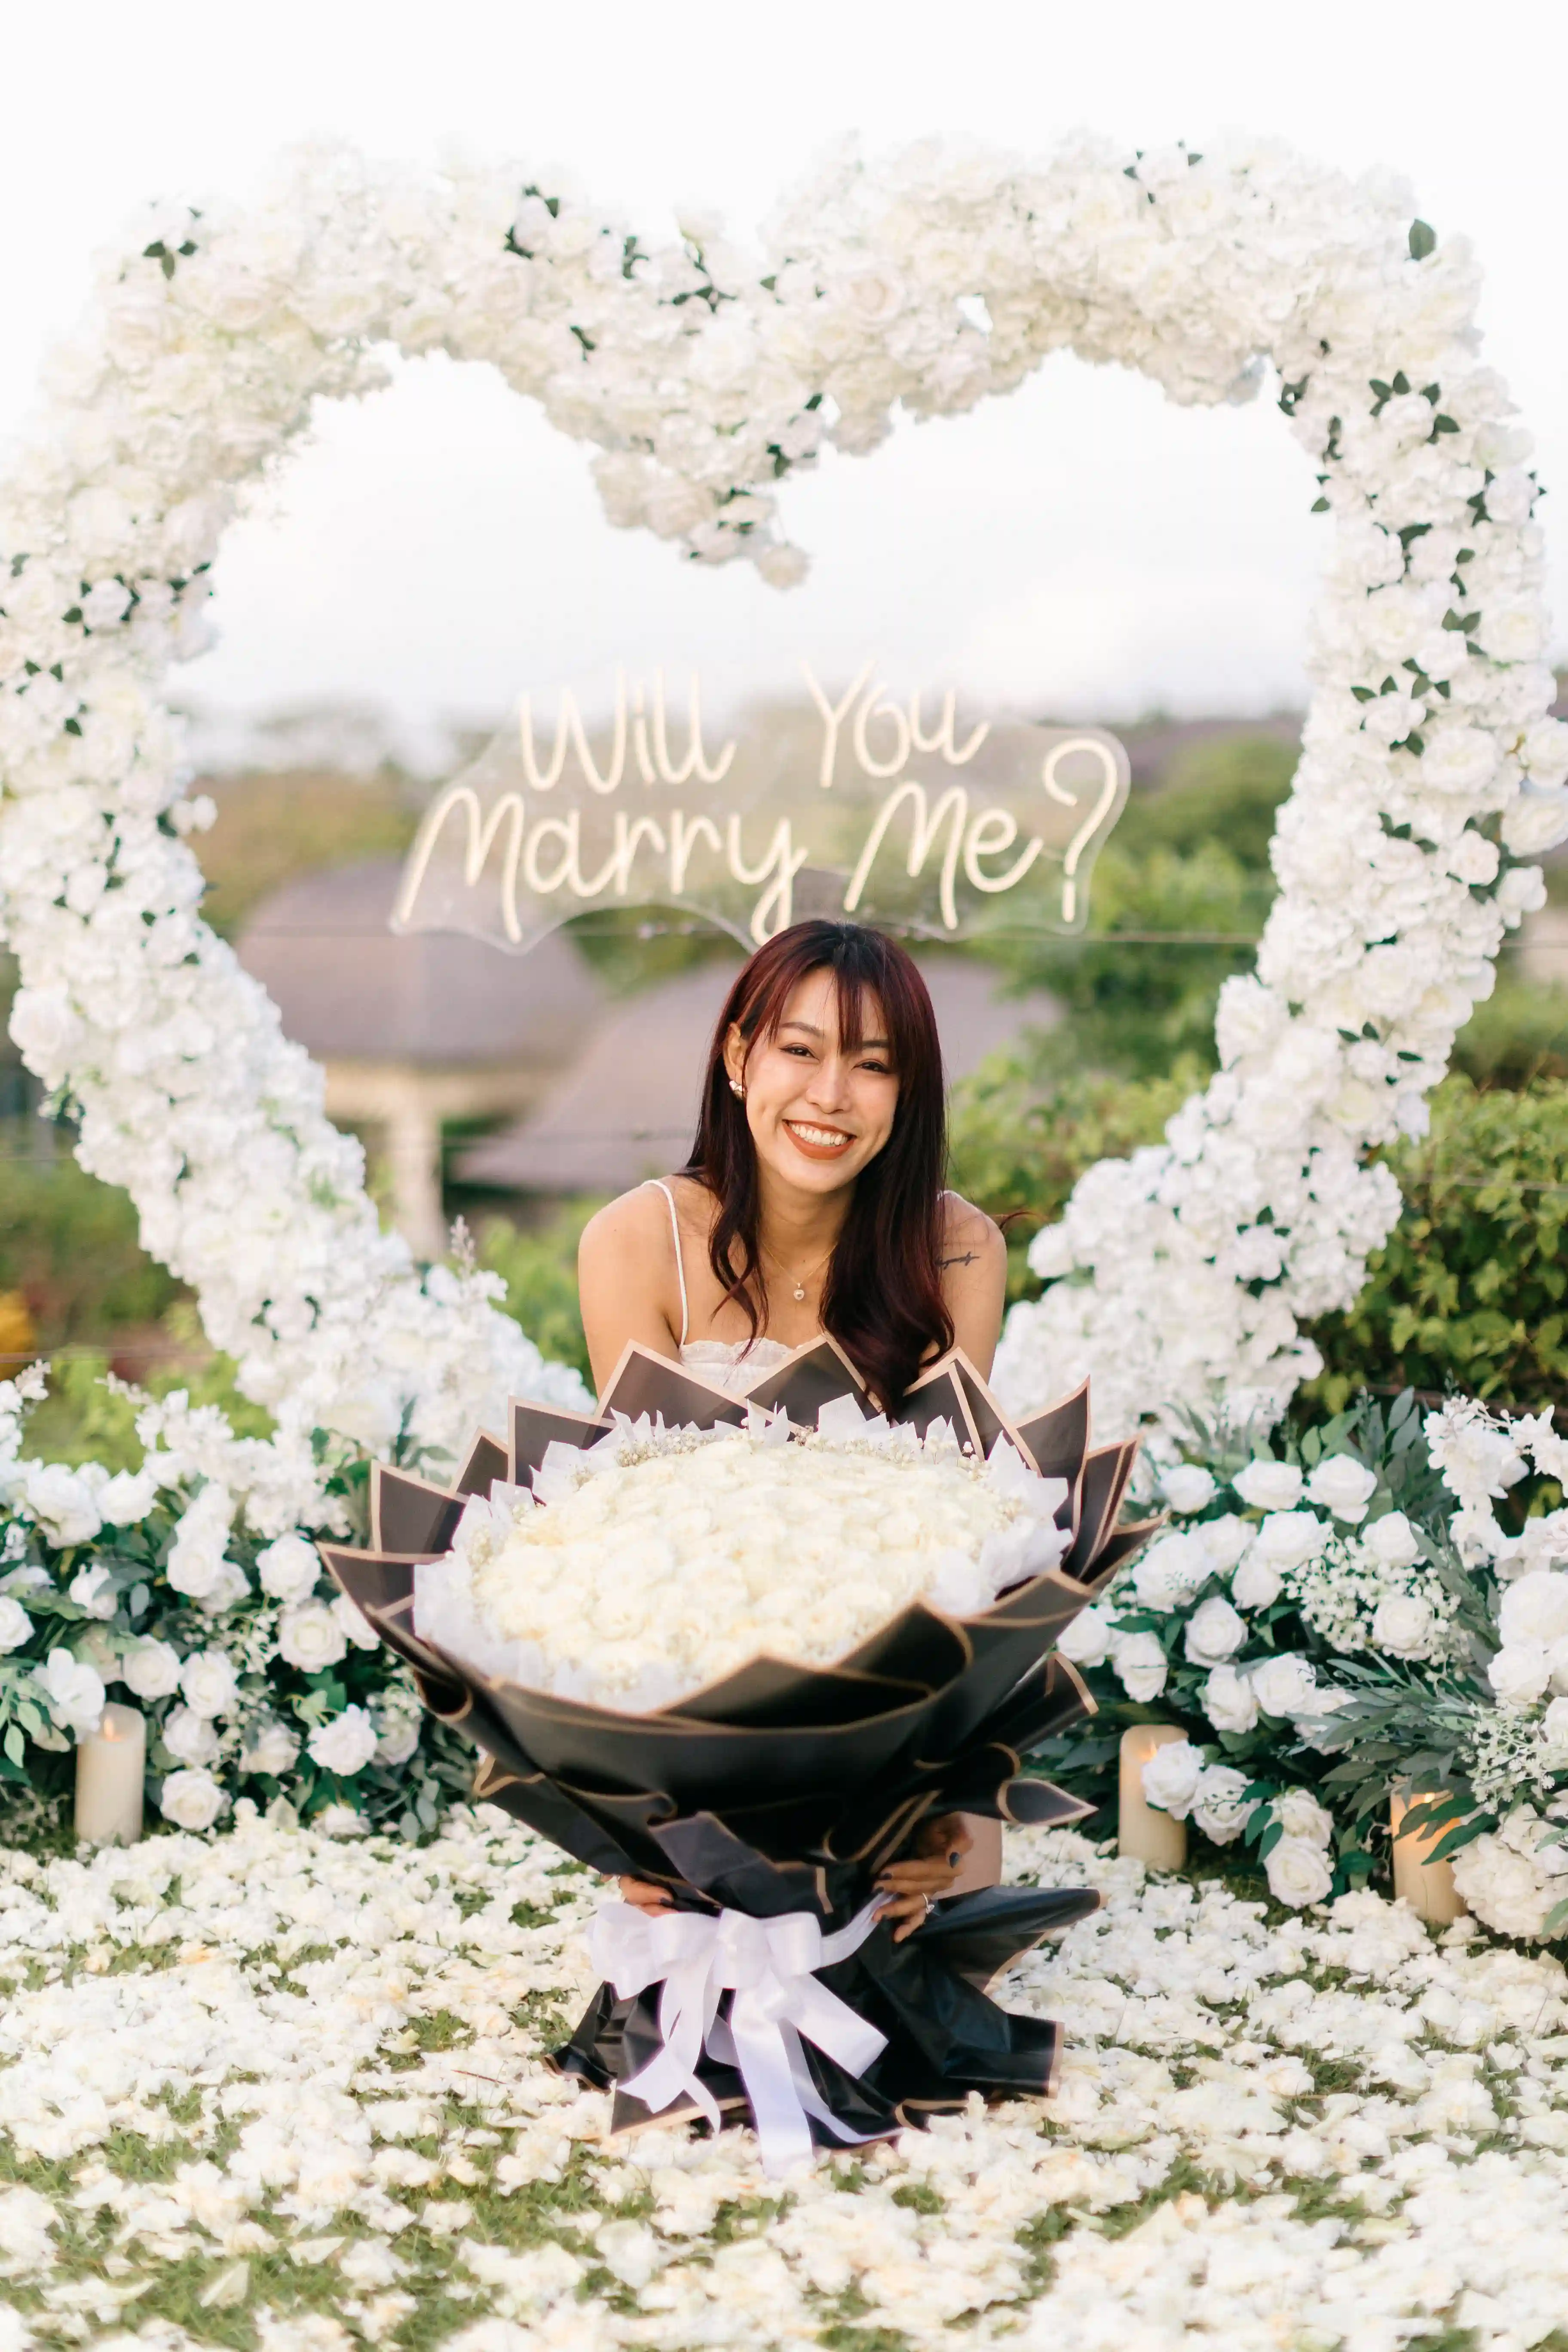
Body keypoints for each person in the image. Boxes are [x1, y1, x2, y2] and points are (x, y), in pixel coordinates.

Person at [578, 918, 1009, 1940]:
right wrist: (638, 1812)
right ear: (738, 1057)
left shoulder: (959, 1250)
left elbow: (954, 1533)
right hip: (695, 1720)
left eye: (872, 1066)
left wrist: (922, 1799)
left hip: (897, 1719)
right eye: (801, 1051)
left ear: (907, 1096)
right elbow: (639, 1536)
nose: (830, 1097)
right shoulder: (637, 1240)